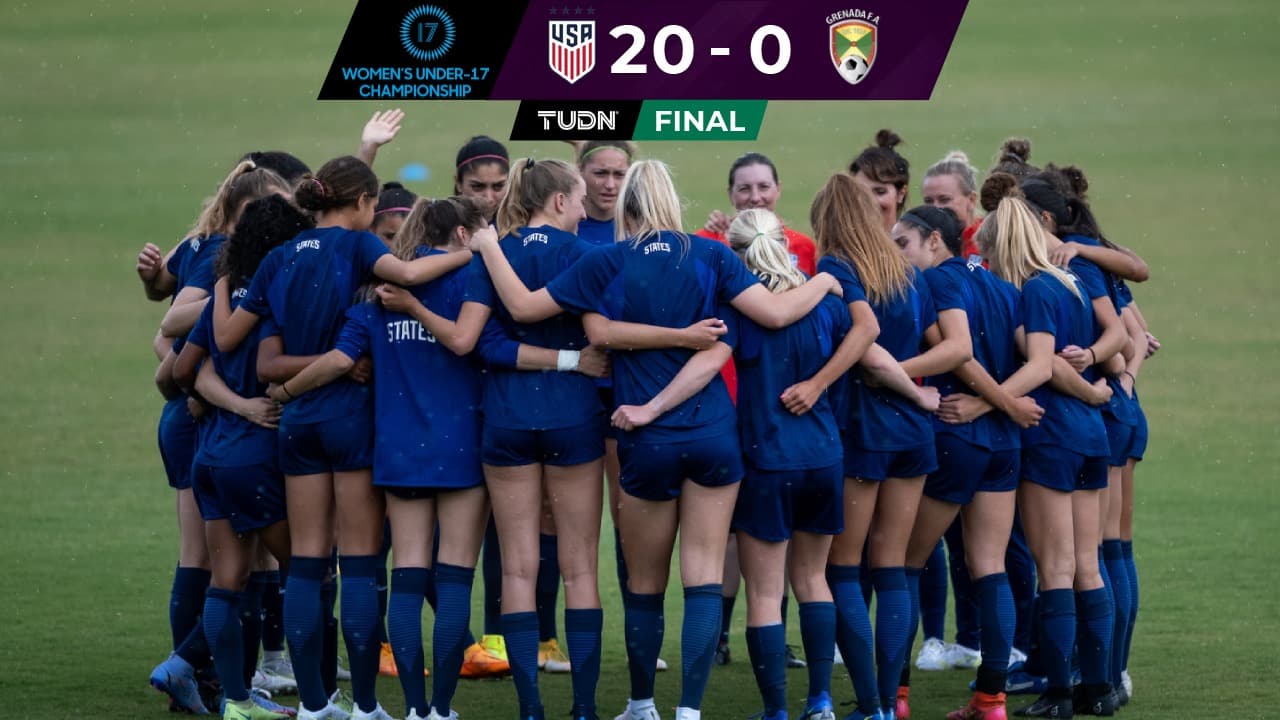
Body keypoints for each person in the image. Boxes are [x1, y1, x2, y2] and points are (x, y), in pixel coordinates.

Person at [462, 159, 844, 720]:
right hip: (714, 434)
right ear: (672, 199)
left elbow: (542, 313)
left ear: (626, 204)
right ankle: (689, 710)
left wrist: (490, 247)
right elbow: (776, 313)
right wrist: (824, 282)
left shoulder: (606, 260)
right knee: (703, 578)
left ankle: (640, 704)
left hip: (645, 438)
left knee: (644, 582)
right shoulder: (713, 254)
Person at [212, 155, 475, 720]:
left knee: (306, 563)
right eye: (373, 205)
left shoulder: (279, 257)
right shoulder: (358, 246)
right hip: (351, 419)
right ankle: (366, 706)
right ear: (361, 203)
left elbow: (255, 354)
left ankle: (314, 704)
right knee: (357, 564)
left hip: (298, 425)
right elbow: (407, 277)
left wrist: (293, 385)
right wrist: (470, 251)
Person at [143, 160, 294, 714]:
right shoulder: (229, 268)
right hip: (220, 435)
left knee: (234, 567)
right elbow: (170, 345)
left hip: (213, 436)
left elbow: (174, 350)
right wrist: (231, 399)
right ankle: (210, 677)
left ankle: (225, 684)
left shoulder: (226, 265)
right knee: (253, 566)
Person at [794, 174, 941, 720]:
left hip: (863, 431)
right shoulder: (908, 271)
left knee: (843, 568)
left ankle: (873, 703)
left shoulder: (838, 268)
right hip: (912, 436)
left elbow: (870, 348)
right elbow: (934, 341)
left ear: (826, 222)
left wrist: (821, 383)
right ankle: (890, 698)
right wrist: (919, 397)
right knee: (893, 567)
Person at [892, 204, 1047, 720]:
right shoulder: (1000, 284)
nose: (899, 255)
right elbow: (1036, 362)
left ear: (934, 240)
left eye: (903, 243)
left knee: (904, 563)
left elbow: (957, 353)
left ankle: (895, 696)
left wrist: (886, 370)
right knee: (990, 566)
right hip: (1002, 445)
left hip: (955, 436)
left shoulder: (936, 280)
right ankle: (991, 701)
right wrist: (1002, 404)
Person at [978, 177, 1121, 719]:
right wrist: (1093, 390)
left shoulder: (1035, 289)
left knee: (1056, 569)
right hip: (1090, 436)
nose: (987, 262)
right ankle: (1099, 689)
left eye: (989, 252)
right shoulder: (1073, 283)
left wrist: (986, 402)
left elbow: (1043, 366)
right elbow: (1094, 349)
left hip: (1051, 437)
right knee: (1088, 565)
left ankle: (1058, 693)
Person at [173, 195, 313, 720]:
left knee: (227, 581)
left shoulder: (225, 298)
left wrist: (221, 398)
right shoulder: (278, 300)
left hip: (210, 456)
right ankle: (321, 696)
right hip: (254, 458)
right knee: (310, 572)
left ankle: (234, 700)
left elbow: (183, 370)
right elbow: (275, 367)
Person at [721, 208, 850, 720]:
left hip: (767, 458)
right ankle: (820, 701)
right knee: (814, 580)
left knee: (765, 593)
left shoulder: (737, 309)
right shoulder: (829, 304)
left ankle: (776, 709)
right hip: (823, 455)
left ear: (737, 253)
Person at [699, 152, 818, 275]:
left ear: (778, 189)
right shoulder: (705, 243)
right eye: (744, 189)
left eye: (764, 187)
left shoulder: (803, 246)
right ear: (730, 194)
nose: (755, 198)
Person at [850, 129, 911, 233]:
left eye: (880, 192)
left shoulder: (916, 242)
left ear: (901, 193)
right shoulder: (836, 241)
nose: (869, 201)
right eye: (861, 192)